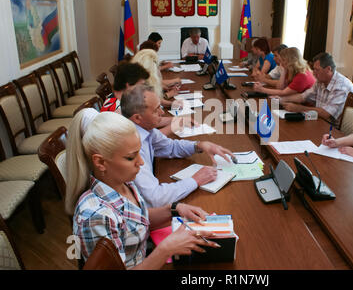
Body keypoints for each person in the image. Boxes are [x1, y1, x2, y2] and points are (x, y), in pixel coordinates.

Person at [66, 109, 220, 269]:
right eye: (131, 157)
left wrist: (174, 209)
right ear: (101, 163)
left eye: (139, 153)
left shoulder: (123, 182)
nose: (141, 162)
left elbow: (136, 221)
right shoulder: (95, 217)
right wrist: (166, 250)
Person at [121, 84, 235, 208]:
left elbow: (170, 147)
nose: (162, 112)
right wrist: (195, 180)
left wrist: (199, 145)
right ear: (137, 118)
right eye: (156, 110)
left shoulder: (145, 129)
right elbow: (156, 198)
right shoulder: (131, 147)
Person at [281, 52, 353, 125]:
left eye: (317, 70)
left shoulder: (341, 87)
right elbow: (303, 97)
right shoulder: (320, 81)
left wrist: (298, 108)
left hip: (334, 130)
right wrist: (282, 99)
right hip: (320, 122)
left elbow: (326, 114)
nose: (313, 73)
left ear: (328, 69)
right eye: (314, 69)